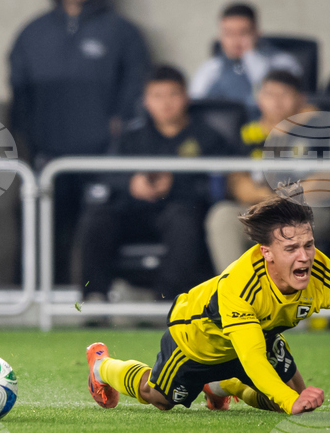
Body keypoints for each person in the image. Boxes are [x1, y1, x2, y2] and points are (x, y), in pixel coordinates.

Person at [86, 183, 330, 417]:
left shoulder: (325, 274)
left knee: (298, 401)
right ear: (266, 253)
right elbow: (252, 358)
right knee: (161, 398)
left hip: (260, 333)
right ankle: (102, 366)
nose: (304, 257)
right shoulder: (240, 286)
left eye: (308, 244)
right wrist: (290, 401)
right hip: (198, 337)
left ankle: (222, 386)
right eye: (291, 248)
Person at [9, 0, 150, 284]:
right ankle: (35, 295)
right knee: (42, 224)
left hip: (104, 155)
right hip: (47, 150)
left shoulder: (123, 32)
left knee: (97, 228)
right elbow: (18, 89)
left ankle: (93, 299)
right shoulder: (33, 32)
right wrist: (27, 135)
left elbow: (136, 85)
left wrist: (120, 125)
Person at [76, 66, 230, 302]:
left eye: (173, 94)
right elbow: (104, 174)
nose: (165, 103)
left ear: (186, 97)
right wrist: (131, 183)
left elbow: (218, 186)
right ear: (146, 101)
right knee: (97, 217)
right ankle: (94, 296)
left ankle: (168, 301)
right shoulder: (130, 138)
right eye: (157, 96)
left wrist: (175, 185)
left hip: (182, 212)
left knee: (182, 220)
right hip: (134, 211)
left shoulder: (208, 137)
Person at [205, 70, 307, 273]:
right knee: (222, 216)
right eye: (270, 94)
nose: (277, 101)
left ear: (299, 99)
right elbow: (238, 184)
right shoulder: (245, 134)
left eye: (284, 94)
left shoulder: (315, 133)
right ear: (259, 99)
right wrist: (273, 199)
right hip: (260, 208)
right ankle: (236, 296)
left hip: (304, 211)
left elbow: (326, 180)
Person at [189, 2, 302, 115]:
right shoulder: (211, 68)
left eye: (243, 33)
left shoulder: (283, 62)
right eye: (229, 33)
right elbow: (195, 102)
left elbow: (271, 96)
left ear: (257, 33)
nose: (236, 41)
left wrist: (251, 57)